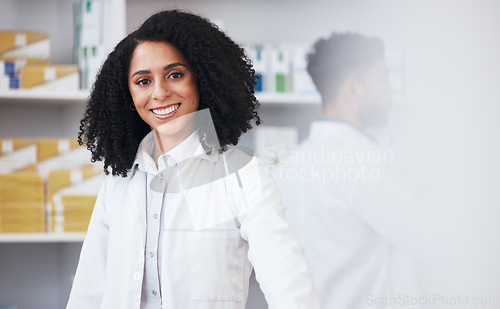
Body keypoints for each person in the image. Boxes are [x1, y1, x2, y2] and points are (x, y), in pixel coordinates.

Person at [67, 9, 319, 309]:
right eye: (143, 81)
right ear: (128, 96)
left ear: (202, 79)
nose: (159, 93)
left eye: (175, 75)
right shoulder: (118, 184)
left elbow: (288, 283)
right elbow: (88, 292)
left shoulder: (242, 175)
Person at [276, 32, 424, 308]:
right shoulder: (365, 162)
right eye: (382, 78)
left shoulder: (289, 164)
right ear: (352, 90)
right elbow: (429, 241)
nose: (390, 90)